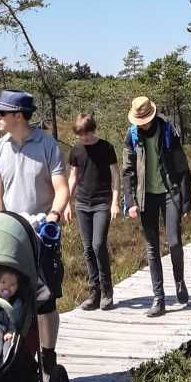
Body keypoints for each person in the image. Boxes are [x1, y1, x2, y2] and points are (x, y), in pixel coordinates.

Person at [0, 89, 70, 380]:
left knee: (45, 301)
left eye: (2, 113)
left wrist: (54, 216)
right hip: (9, 235)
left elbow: (61, 189)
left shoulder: (48, 146)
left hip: (40, 233)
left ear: (18, 116)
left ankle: (48, 357)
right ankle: (7, 355)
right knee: (4, 294)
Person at [121, 95, 191, 318]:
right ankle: (158, 298)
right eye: (138, 120)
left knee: (174, 242)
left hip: (169, 192)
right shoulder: (131, 135)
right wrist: (130, 202)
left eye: (144, 118)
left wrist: (186, 201)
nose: (142, 123)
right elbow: (127, 171)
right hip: (146, 197)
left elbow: (182, 166)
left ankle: (179, 280)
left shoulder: (167, 130)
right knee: (152, 248)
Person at [64, 113, 119, 311]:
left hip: (102, 203)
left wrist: (115, 203)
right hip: (82, 204)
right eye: (80, 135)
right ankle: (94, 294)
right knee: (87, 249)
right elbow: (73, 177)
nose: (84, 138)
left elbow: (115, 176)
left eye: (86, 134)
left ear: (92, 130)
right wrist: (67, 203)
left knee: (98, 245)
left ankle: (107, 292)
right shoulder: (76, 150)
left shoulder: (106, 148)